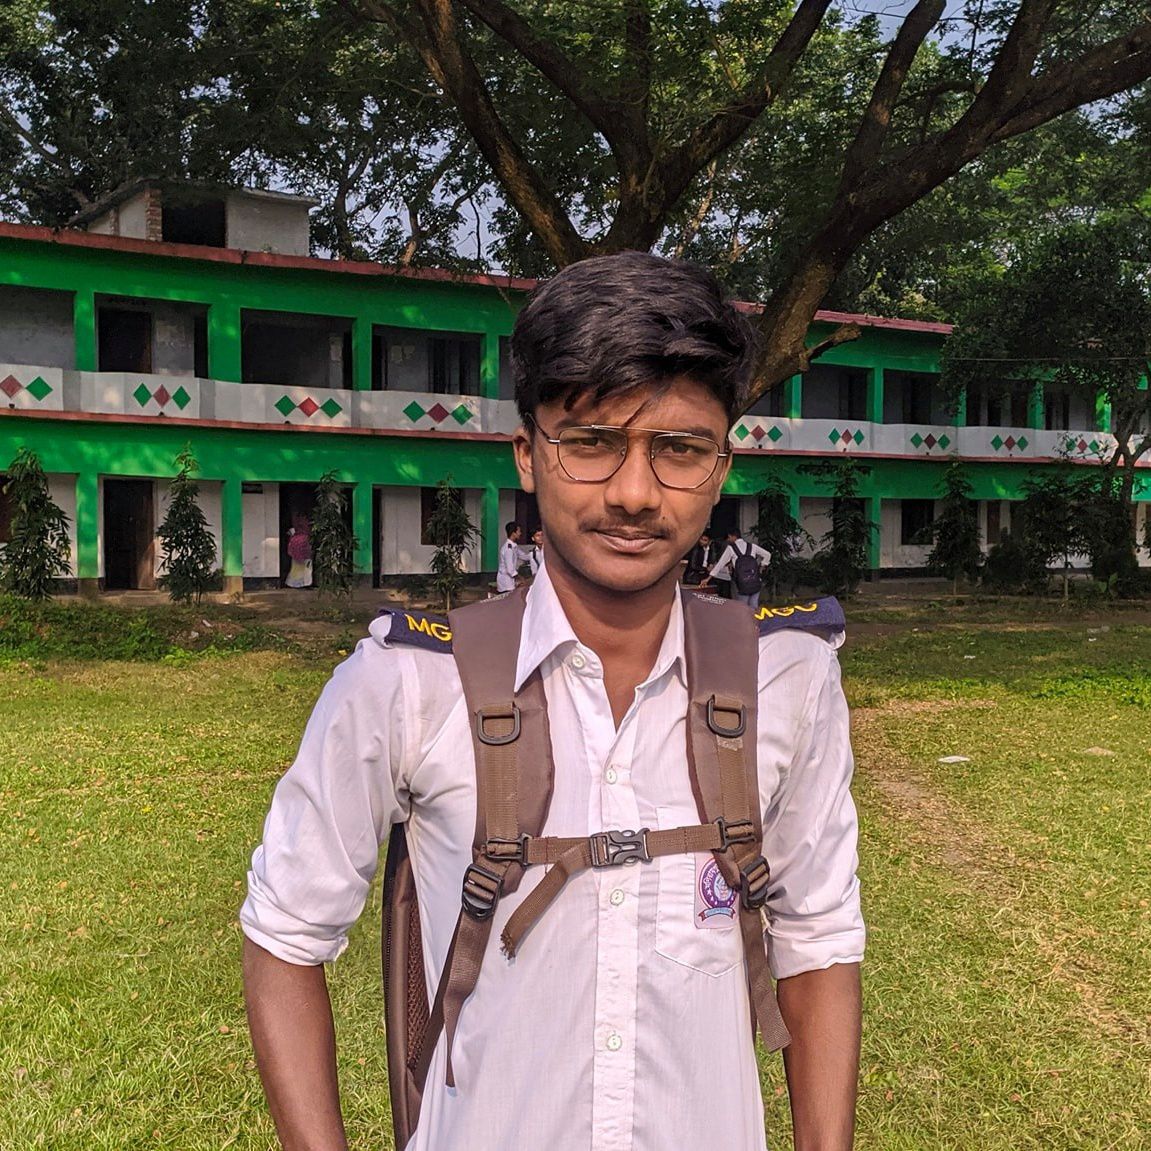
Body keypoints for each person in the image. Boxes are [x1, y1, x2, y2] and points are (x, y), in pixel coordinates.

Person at [240, 251, 863, 1151]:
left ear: (722, 466)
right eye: (591, 442)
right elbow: (284, 934)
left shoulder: (786, 677)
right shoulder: (406, 682)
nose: (634, 494)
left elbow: (819, 940)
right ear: (528, 455)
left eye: (679, 449)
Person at [703, 528, 771, 608]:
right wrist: (762, 566)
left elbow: (720, 564)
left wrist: (708, 578)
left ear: (731, 536)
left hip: (742, 584)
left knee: (742, 607)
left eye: (729, 538)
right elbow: (768, 554)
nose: (728, 540)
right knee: (753, 606)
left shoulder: (731, 548)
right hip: (755, 581)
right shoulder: (752, 546)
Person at [496, 520, 522, 592]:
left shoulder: (514, 546)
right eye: (519, 531)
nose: (520, 533)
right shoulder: (508, 549)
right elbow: (510, 569)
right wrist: (520, 578)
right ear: (513, 533)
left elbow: (524, 556)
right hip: (506, 583)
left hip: (509, 582)